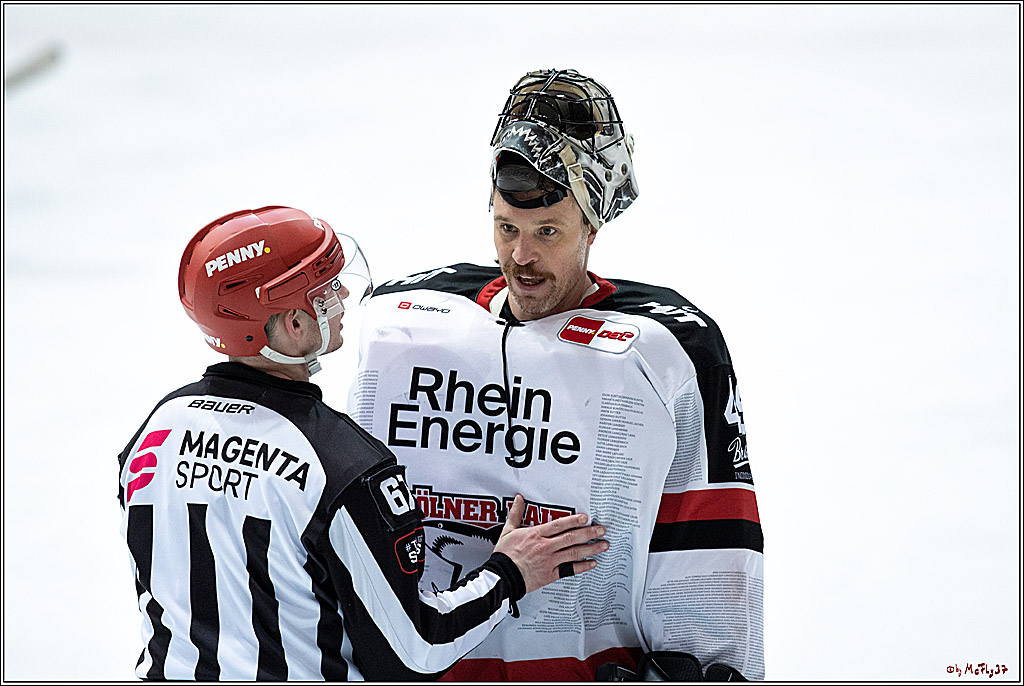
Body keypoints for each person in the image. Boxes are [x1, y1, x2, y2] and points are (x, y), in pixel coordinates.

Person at [348, 69, 764, 680]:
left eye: (547, 232)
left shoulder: (667, 345)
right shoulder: (401, 319)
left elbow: (711, 540)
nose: (521, 257)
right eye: (506, 229)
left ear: (592, 227)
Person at [117, 206, 608, 680]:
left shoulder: (153, 433)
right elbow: (415, 651)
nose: (340, 299)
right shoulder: (341, 464)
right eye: (324, 291)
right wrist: (512, 572)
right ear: (292, 325)